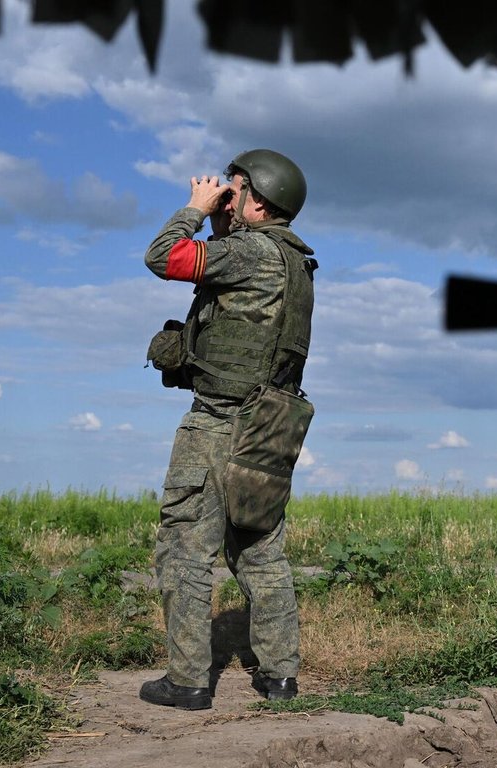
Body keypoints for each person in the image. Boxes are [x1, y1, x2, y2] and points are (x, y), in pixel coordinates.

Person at [139, 149, 317, 710]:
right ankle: (279, 677)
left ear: (259, 202)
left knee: (186, 549)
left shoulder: (247, 252)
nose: (221, 191)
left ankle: (188, 681)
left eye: (232, 188)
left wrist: (193, 208)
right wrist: (222, 217)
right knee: (260, 549)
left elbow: (163, 258)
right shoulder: (294, 261)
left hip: (220, 422)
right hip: (269, 423)